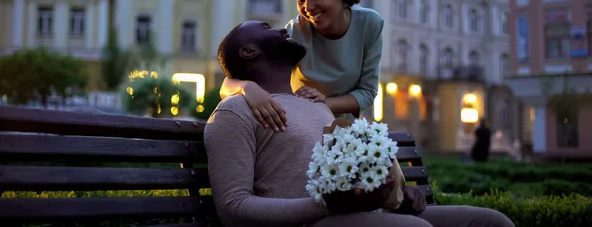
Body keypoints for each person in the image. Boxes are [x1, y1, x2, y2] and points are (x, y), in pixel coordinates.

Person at [204, 21, 515, 227]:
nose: (284, 29)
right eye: (267, 27)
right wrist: (325, 207)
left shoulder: (316, 106)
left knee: (491, 221)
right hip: (312, 222)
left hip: (363, 214)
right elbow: (233, 208)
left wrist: (395, 196)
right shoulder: (235, 112)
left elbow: (346, 175)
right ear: (249, 51)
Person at [220, 0, 384, 130]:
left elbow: (366, 93)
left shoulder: (369, 24)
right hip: (301, 129)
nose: (308, 7)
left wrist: (323, 103)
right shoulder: (294, 32)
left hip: (345, 136)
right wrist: (247, 88)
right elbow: (226, 86)